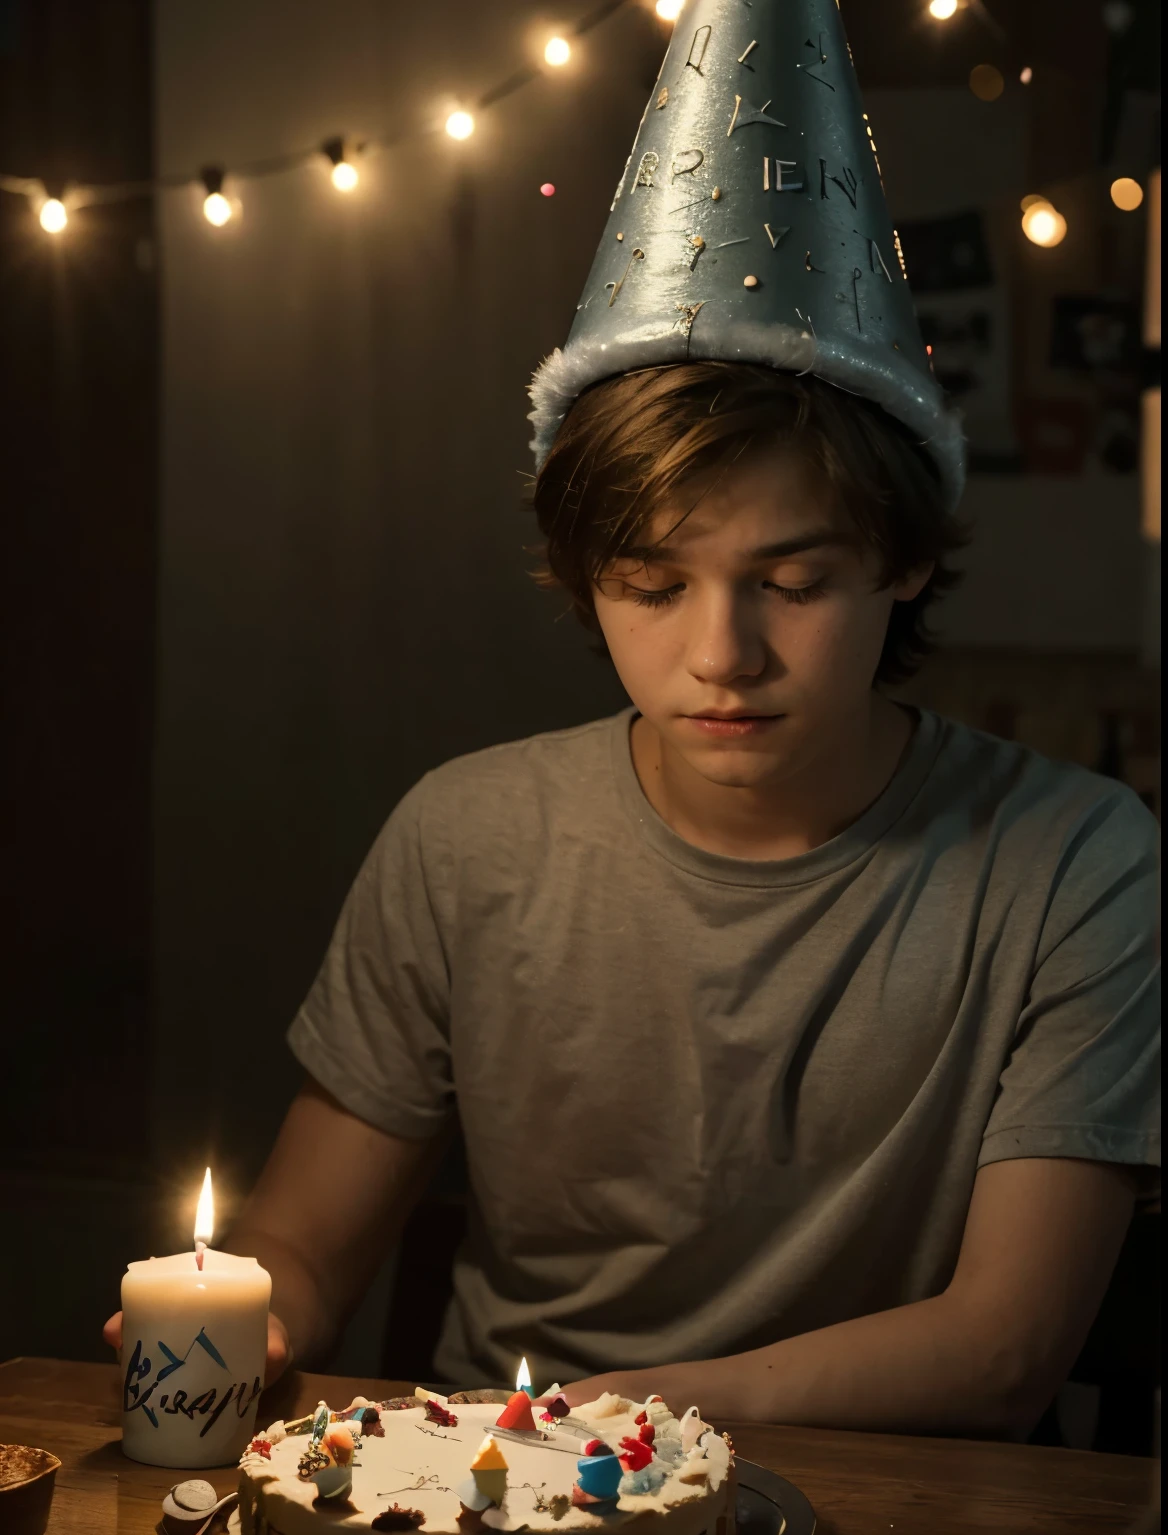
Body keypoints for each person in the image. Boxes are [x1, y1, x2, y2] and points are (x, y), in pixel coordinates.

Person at [106, 0, 1159, 1438]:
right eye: (651, 584)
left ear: (904, 560)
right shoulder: (467, 836)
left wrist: (626, 1423)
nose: (721, 654)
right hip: (493, 1490)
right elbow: (309, 1245)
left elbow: (1004, 1346)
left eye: (793, 580)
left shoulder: (1077, 860)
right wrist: (257, 1307)